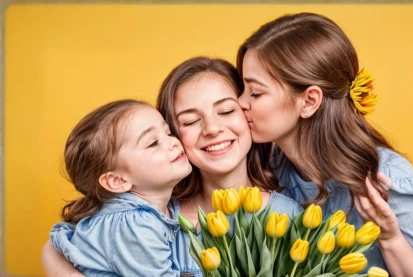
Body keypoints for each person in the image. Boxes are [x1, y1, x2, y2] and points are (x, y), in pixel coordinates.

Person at [236, 12, 413, 276]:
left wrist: (390, 239)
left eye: (255, 93)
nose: (240, 102)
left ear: (308, 102)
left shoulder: (385, 179)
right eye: (243, 89)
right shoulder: (269, 164)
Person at [42, 58, 303, 277]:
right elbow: (63, 240)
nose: (212, 129)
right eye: (189, 121)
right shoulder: (152, 212)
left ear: (247, 113)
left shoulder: (288, 217)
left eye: (225, 111)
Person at [48, 99, 192, 276]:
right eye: (153, 143)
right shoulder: (135, 225)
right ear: (117, 180)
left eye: (168, 133)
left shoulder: (159, 209)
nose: (174, 142)